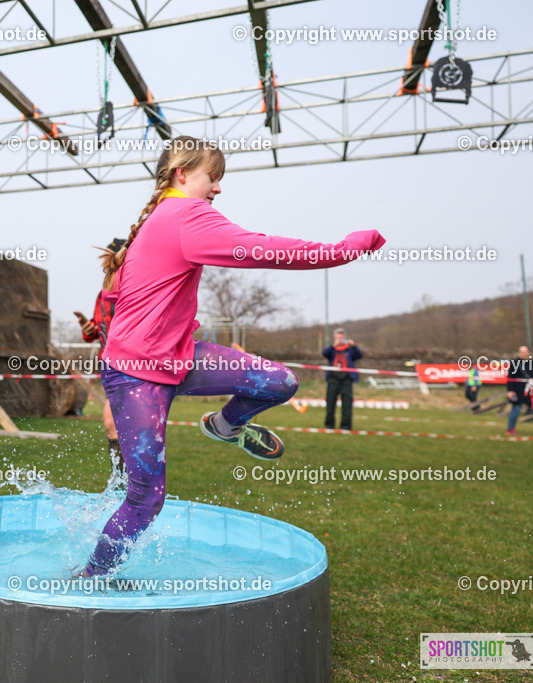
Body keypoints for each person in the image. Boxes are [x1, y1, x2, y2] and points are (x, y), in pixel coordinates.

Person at [78, 136, 385, 577]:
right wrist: (343, 250)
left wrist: (176, 327)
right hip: (136, 376)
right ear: (182, 174)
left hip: (179, 359)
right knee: (146, 498)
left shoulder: (162, 220)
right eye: (213, 177)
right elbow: (264, 249)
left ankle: (224, 427)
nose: (218, 189)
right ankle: (89, 578)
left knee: (279, 382)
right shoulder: (184, 214)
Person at [77, 238, 127, 475]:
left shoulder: (136, 287)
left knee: (117, 424)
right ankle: (121, 489)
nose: (104, 265)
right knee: (113, 426)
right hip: (110, 367)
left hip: (135, 366)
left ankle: (130, 491)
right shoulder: (103, 293)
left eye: (110, 259)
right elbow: (99, 329)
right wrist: (89, 329)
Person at [322, 328, 363, 431]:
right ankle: (329, 426)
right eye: (338, 338)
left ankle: (345, 427)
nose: (340, 340)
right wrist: (333, 345)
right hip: (333, 381)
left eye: (342, 338)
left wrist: (354, 346)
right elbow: (324, 353)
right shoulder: (332, 350)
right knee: (330, 405)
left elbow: (360, 355)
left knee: (347, 406)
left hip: (346, 381)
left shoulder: (350, 350)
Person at [505, 345, 533, 438]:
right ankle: (510, 429)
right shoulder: (515, 363)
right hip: (518, 391)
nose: (523, 353)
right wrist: (510, 391)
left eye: (525, 351)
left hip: (530, 392)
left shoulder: (532, 363)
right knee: (516, 409)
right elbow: (510, 378)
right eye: (521, 351)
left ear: (528, 352)